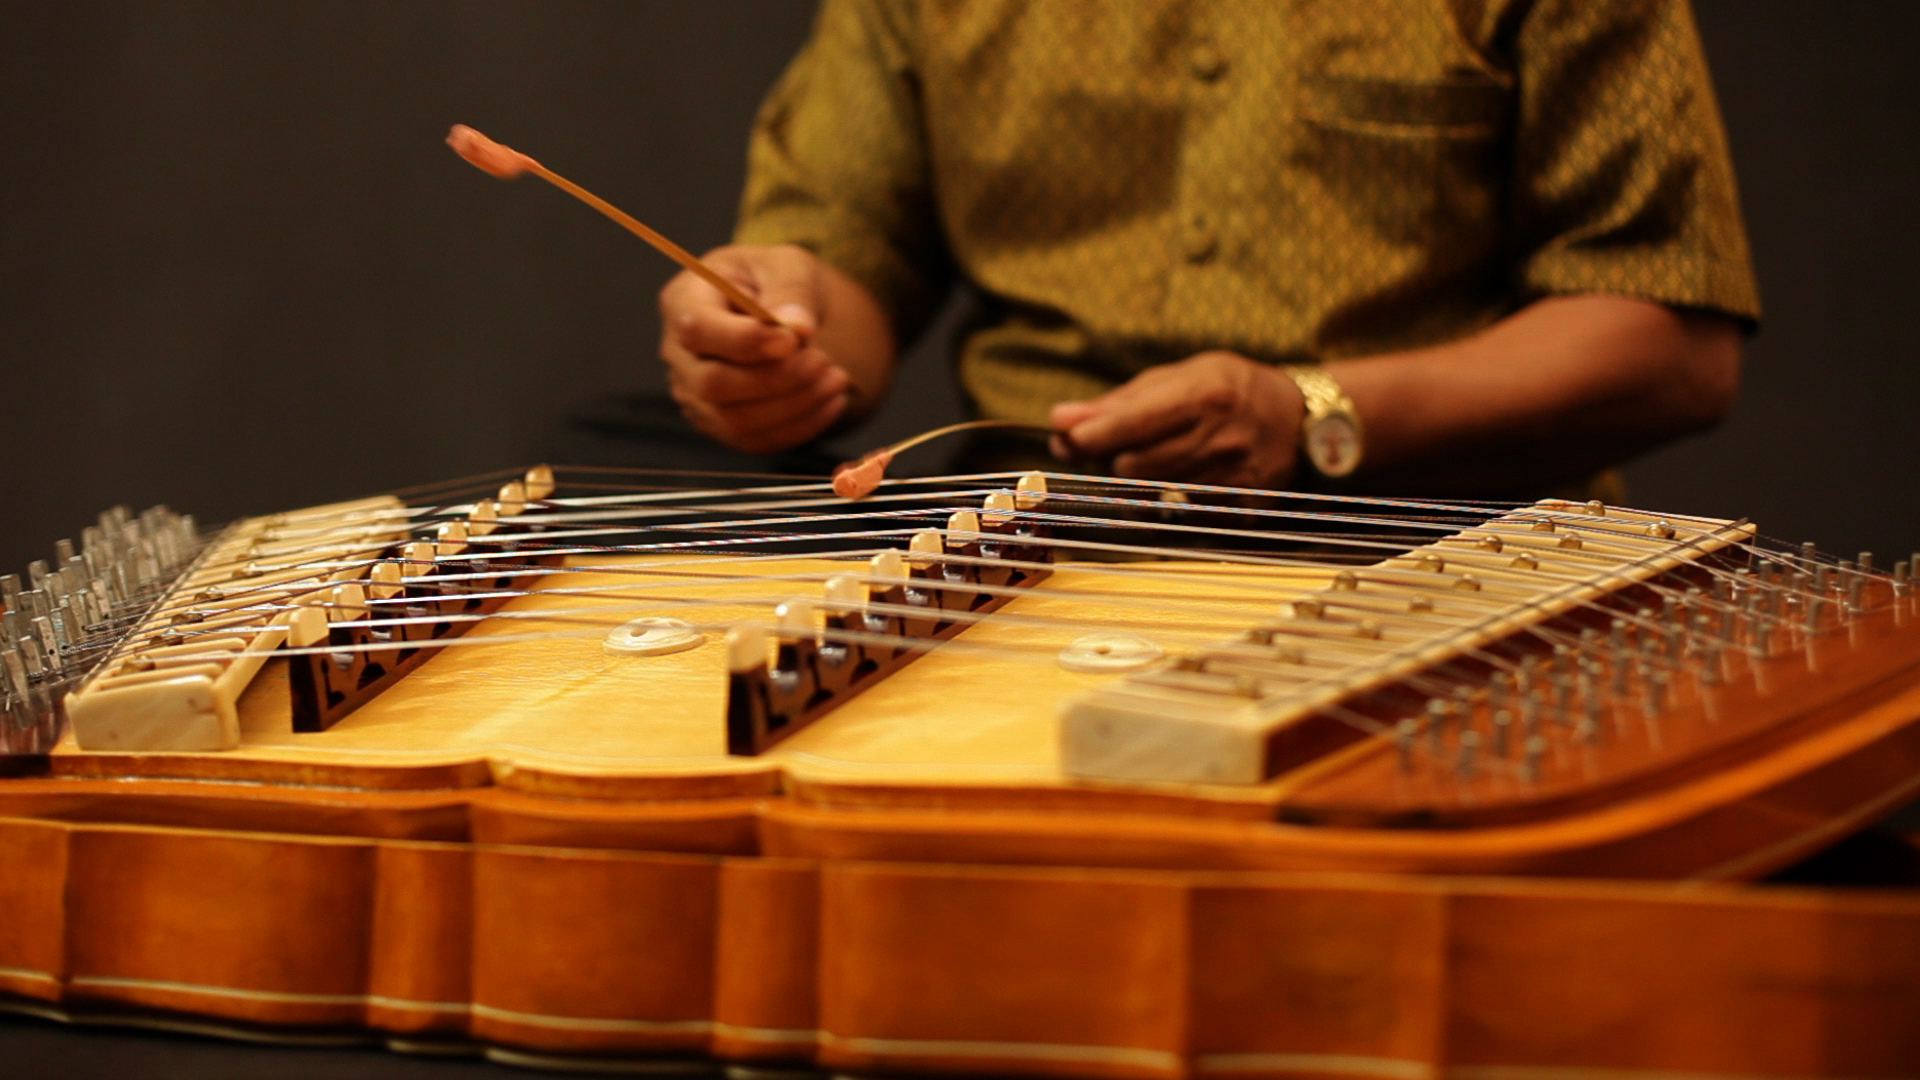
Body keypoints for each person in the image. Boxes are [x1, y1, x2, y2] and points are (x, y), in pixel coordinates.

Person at [657, 0, 1760, 498]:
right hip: (1029, 560)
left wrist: (1312, 411)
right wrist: (774, 332)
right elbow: (845, 288)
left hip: (1442, 559)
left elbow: (1671, 343)